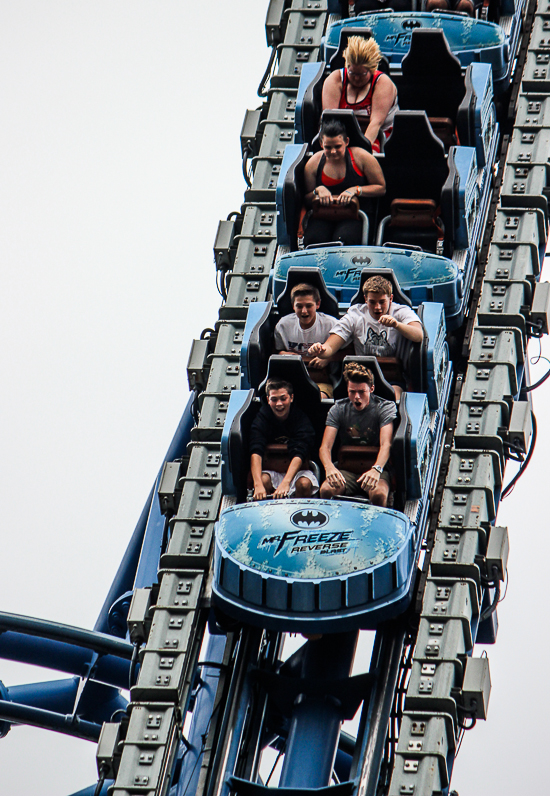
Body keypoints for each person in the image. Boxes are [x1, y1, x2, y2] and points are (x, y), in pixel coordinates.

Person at [309, 275, 423, 400]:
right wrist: (321, 350)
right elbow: (330, 346)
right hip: (359, 376)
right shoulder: (355, 315)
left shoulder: (401, 312)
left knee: (395, 398)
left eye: (382, 302)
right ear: (365, 299)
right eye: (372, 302)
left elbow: (418, 335)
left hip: (393, 378)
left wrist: (397, 325)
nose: (377, 307)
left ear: (390, 299)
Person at [319, 362, 396, 506]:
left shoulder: (384, 407)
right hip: (347, 468)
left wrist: (376, 469)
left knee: (379, 494)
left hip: (374, 466)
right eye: (352, 392)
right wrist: (329, 467)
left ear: (371, 389)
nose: (356, 397)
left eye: (361, 392)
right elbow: (325, 447)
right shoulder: (339, 409)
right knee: (326, 490)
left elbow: (386, 444)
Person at [303, 119, 385, 247]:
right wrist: (317, 191)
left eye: (338, 146)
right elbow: (307, 199)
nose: (333, 152)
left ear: (346, 142)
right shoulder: (314, 163)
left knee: (344, 239)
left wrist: (356, 190)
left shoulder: (361, 157)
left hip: (355, 215)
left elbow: (381, 188)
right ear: (321, 144)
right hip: (325, 214)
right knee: (314, 239)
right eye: (328, 147)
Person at [322, 36, 398, 153]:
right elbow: (330, 121)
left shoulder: (382, 83)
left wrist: (361, 154)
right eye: (352, 73)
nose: (356, 79)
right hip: (341, 136)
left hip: (378, 135)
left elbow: (376, 123)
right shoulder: (335, 80)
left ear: (372, 70)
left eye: (362, 74)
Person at [250, 378, 319, 500]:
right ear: (268, 400)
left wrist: (286, 482)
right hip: (271, 469)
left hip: (297, 471)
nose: (279, 404)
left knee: (303, 484)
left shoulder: (301, 419)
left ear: (291, 398)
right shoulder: (261, 419)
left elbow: (300, 451)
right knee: (263, 480)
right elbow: (256, 450)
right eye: (274, 399)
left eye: (283, 398)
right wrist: (258, 485)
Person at [274, 282, 336, 399]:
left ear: (317, 304)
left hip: (321, 380)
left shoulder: (331, 324)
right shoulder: (283, 325)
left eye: (308, 306)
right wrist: (283, 354)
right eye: (299, 306)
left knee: (317, 398)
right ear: (293, 306)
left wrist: (328, 358)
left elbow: (349, 350)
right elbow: (275, 350)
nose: (304, 311)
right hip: (290, 380)